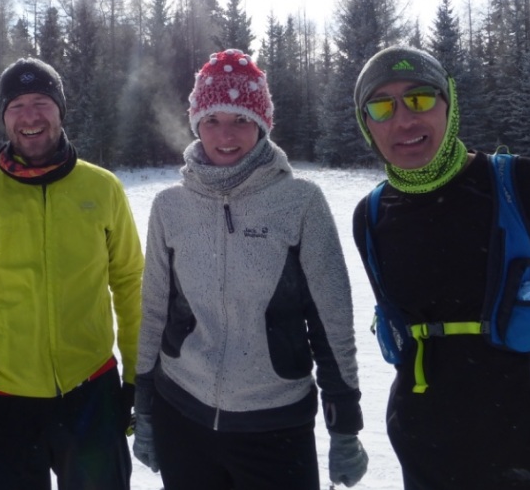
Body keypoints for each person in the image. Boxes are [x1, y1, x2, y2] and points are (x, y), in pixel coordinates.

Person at [352, 45, 530, 489]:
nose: (404, 120)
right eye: (381, 106)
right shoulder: (370, 215)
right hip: (427, 456)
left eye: (420, 99)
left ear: (449, 103)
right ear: (366, 124)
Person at [133, 49, 369, 490]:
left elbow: (331, 318)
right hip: (183, 417)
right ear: (196, 124)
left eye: (240, 119)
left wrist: (345, 425)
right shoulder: (170, 207)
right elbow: (154, 313)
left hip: (275, 427)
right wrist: (144, 407)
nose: (225, 134)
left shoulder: (300, 203)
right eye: (212, 120)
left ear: (261, 124)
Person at [0, 57, 144, 489]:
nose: (30, 116)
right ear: (4, 117)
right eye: (17, 105)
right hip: (7, 404)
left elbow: (131, 286)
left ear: (60, 110)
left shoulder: (102, 189)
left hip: (92, 395)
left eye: (42, 102)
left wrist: (136, 378)